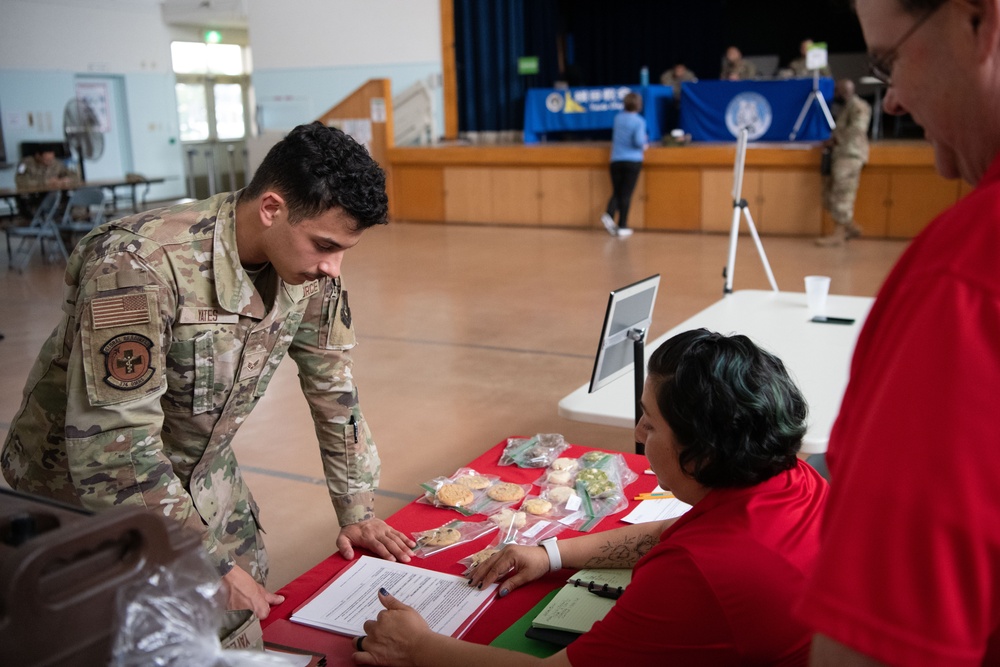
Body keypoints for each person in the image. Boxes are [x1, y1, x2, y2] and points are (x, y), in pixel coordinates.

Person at [1, 122, 416, 622]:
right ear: (271, 209)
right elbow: (113, 448)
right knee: (132, 638)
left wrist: (357, 511)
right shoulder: (139, 266)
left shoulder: (308, 270)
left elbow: (334, 389)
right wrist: (208, 565)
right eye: (326, 244)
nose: (335, 267)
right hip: (83, 496)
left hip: (200, 470)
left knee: (248, 612)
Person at [353, 329, 829, 667]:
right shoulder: (792, 477)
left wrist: (419, 649)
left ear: (701, 454)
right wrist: (550, 553)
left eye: (651, 422)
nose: (637, 433)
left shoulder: (698, 573)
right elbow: (675, 532)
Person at [796, 0, 1000, 664]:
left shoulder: (966, 277)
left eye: (889, 62)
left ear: (981, 22)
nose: (895, 103)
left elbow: (880, 645)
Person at [816, 79, 871, 247]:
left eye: (838, 91)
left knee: (843, 193)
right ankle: (851, 227)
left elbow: (857, 129)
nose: (836, 94)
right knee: (833, 192)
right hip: (841, 154)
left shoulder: (859, 107)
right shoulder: (846, 108)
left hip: (851, 154)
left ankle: (839, 235)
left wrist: (835, 138)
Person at [600, 91, 647, 238]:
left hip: (615, 160)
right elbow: (638, 142)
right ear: (638, 105)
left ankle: (609, 213)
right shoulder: (639, 121)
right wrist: (645, 143)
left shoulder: (618, 118)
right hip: (632, 161)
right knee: (626, 194)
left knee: (618, 191)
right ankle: (622, 225)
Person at [14, 145, 80, 219]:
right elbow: (20, 181)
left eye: (51, 159)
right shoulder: (26, 164)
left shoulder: (56, 163)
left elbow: (74, 176)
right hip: (34, 196)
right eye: (46, 160)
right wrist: (46, 182)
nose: (49, 162)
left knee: (68, 197)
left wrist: (66, 179)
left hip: (53, 195)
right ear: (38, 156)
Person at [659, 63, 698, 130]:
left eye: (681, 69)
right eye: (677, 69)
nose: (678, 71)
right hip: (671, 99)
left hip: (685, 100)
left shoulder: (689, 75)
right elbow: (666, 88)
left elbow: (693, 87)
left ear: (684, 69)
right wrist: (677, 95)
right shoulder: (667, 76)